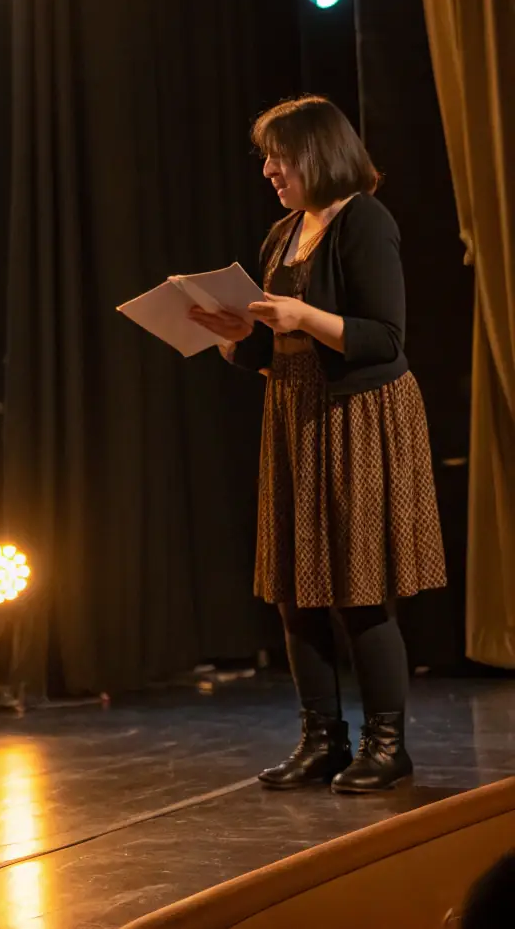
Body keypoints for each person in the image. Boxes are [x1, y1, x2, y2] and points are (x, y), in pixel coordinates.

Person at [191, 97, 446, 794]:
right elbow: (275, 349)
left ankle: (386, 743)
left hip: (359, 411)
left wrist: (304, 314)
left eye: (281, 155)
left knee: (357, 586)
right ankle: (321, 738)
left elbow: (384, 337)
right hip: (294, 409)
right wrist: (233, 337)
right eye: (267, 157)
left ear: (319, 153)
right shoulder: (283, 233)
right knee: (294, 588)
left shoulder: (365, 219)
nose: (270, 169)